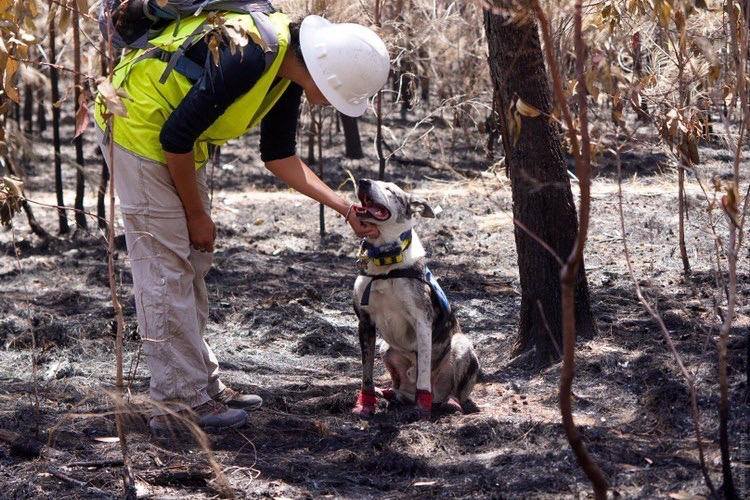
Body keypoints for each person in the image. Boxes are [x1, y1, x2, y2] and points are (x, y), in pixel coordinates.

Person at [94, 5, 389, 437]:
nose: (332, 105)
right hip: (137, 129)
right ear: (327, 76)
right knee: (164, 268)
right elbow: (174, 138)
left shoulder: (287, 65)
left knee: (189, 264)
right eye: (339, 96)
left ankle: (202, 384)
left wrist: (345, 208)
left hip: (170, 140)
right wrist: (197, 216)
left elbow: (280, 157)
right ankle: (179, 403)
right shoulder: (251, 54)